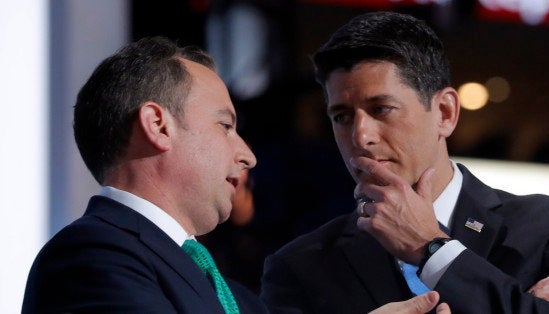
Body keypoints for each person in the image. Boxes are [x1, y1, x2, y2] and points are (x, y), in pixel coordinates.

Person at [21, 36, 448, 314]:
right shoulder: (89, 258)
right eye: (225, 125)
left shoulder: (228, 292)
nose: (248, 155)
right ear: (158, 125)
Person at [260, 11, 549, 314]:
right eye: (341, 116)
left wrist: (432, 249)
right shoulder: (298, 267)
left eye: (381, 109)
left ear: (444, 112)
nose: (360, 136)